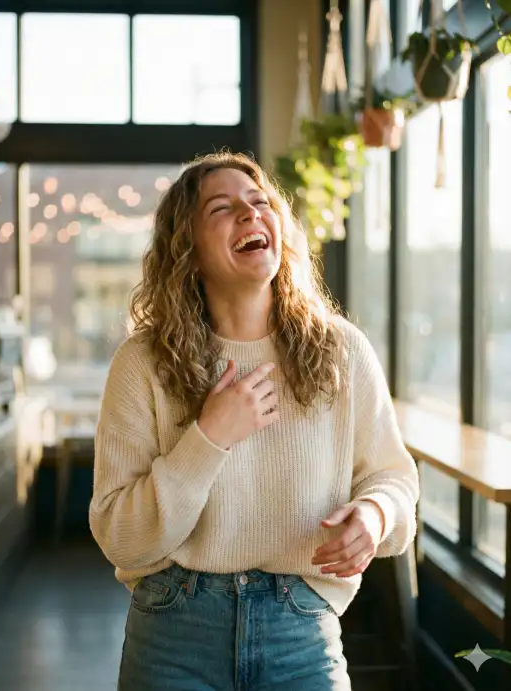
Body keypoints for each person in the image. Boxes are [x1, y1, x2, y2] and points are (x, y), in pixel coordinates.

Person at [89, 151, 420, 691]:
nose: (250, 214)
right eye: (223, 208)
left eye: (259, 201)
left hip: (302, 631)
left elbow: (395, 478)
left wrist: (376, 516)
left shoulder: (342, 351)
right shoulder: (141, 363)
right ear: (188, 251)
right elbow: (119, 536)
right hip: (175, 630)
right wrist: (209, 437)